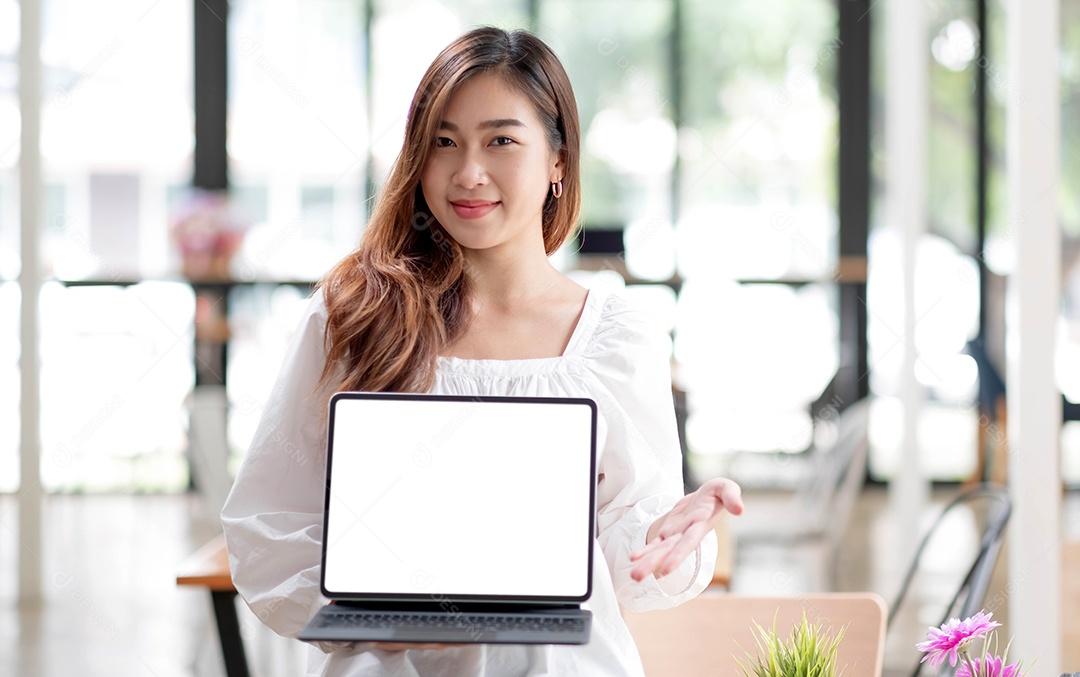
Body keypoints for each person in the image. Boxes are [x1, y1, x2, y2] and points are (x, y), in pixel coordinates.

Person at [221, 25, 743, 676]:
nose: (469, 172)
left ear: (558, 160)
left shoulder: (616, 336)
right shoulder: (349, 318)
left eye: (501, 140)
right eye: (444, 142)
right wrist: (360, 605)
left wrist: (669, 535)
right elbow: (264, 521)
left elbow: (622, 556)